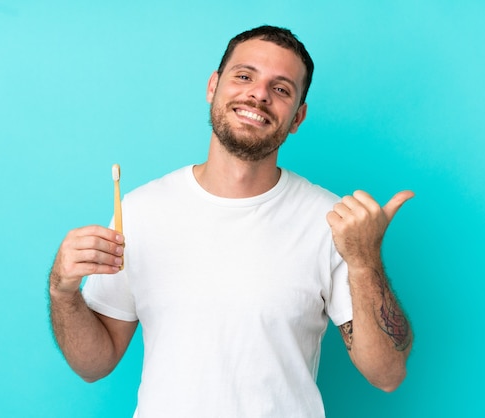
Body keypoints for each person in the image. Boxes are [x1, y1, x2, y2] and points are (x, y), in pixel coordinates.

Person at [49, 25, 413, 417]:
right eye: (244, 76)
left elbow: (387, 374)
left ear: (297, 118)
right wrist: (62, 292)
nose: (258, 94)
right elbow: (93, 365)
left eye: (282, 89)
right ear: (213, 86)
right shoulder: (140, 210)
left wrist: (364, 261)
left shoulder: (331, 222)